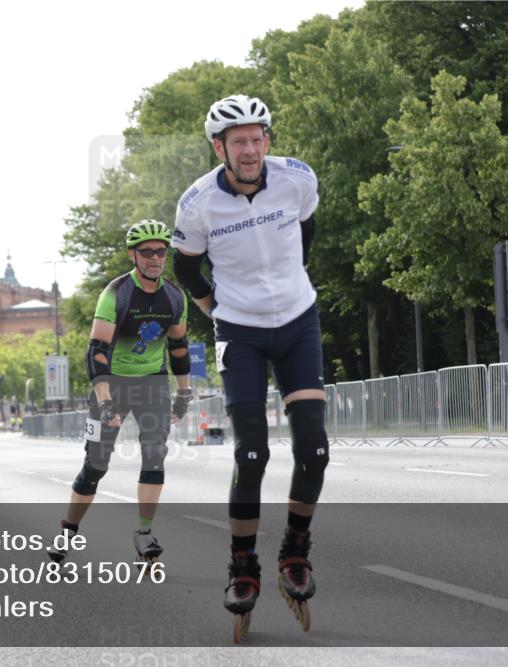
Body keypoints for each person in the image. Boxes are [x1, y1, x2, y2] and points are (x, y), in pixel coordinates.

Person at [172, 94, 328, 633]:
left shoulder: (296, 179)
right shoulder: (197, 205)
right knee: (253, 451)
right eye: (238, 141)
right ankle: (243, 565)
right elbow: (187, 272)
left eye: (257, 138)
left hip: (298, 322)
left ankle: (295, 551)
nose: (250, 149)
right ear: (219, 147)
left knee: (314, 449)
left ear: (267, 140)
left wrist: (285, 288)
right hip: (239, 332)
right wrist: (218, 310)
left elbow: (306, 235)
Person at [47, 220, 192, 567]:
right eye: (147, 252)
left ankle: (144, 533)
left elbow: (179, 348)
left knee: (155, 452)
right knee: (95, 465)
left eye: (161, 251)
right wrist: (105, 399)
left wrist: (184, 394)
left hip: (153, 383)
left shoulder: (174, 297)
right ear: (133, 255)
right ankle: (68, 530)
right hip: (112, 383)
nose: (156, 258)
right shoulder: (116, 294)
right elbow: (97, 350)